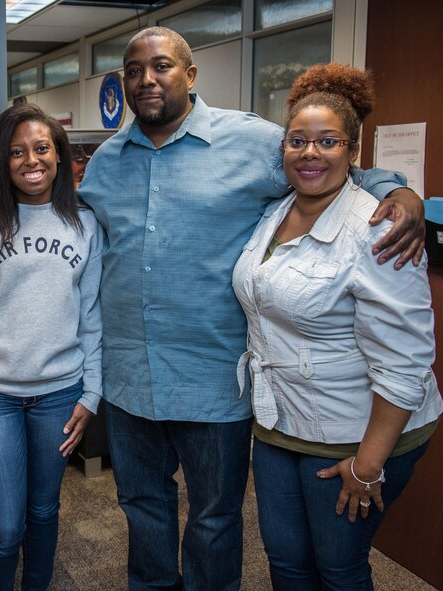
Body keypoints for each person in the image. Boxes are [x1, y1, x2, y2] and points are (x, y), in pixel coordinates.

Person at [77, 26, 426, 590]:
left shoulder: (251, 141)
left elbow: (329, 167)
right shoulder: (105, 163)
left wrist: (401, 190)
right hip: (129, 378)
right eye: (134, 69)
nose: (147, 79)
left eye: (162, 66)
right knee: (141, 507)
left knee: (214, 520)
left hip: (216, 379)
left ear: (190, 75)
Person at [232, 63, 442, 590]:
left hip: (359, 433)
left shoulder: (379, 230)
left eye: (327, 141)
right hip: (281, 423)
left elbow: (405, 362)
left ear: (352, 151)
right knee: (285, 561)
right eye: (297, 141)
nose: (309, 153)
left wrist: (368, 465)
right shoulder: (274, 211)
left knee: (339, 568)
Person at [0, 104, 103, 591]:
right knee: (7, 524)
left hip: (60, 393)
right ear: (2, 161)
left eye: (41, 148)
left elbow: (92, 316)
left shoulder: (85, 225)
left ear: (59, 155)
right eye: (17, 152)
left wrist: (91, 393)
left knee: (43, 511)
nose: (31, 160)